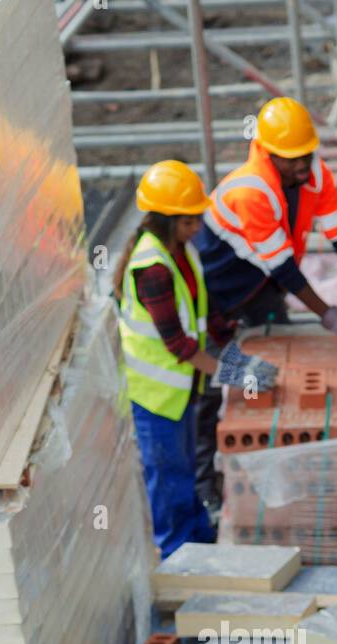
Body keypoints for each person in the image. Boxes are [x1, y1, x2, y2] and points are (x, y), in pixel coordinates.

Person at [192, 97, 337, 500]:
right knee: (214, 383)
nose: (303, 166)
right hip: (218, 291)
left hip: (261, 286)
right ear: (267, 152)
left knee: (282, 363)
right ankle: (211, 485)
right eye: (292, 160)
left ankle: (285, 458)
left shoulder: (314, 174)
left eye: (307, 155)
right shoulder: (251, 191)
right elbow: (285, 270)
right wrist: (332, 317)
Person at [114, 161, 278, 555]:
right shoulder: (152, 267)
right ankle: (176, 559)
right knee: (169, 478)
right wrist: (236, 372)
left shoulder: (179, 252)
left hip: (179, 390)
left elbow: (201, 318)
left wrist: (234, 348)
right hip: (155, 397)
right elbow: (178, 345)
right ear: (169, 220)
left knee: (185, 472)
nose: (198, 228)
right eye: (190, 221)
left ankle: (201, 545)